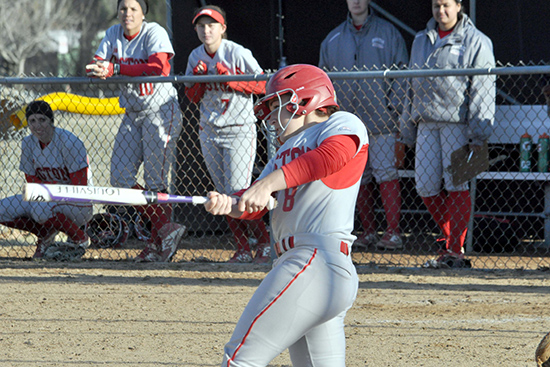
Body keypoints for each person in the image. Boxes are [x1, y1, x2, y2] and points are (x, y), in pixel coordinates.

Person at [204, 64, 369, 366]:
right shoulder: (282, 155)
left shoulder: (340, 123)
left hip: (316, 258)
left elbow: (332, 157)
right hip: (309, 267)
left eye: (274, 105)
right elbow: (254, 203)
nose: (269, 116)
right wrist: (228, 203)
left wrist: (267, 183)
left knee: (240, 360)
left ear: (302, 101)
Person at [86, 0, 186, 262]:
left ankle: (156, 242)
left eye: (133, 9)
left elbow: (158, 68)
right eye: (123, 8)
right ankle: (165, 229)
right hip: (131, 112)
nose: (127, 13)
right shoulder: (112, 33)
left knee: (156, 181)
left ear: (143, 13)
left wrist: (115, 69)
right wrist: (98, 68)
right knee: (119, 177)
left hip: (160, 111)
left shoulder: (154, 32)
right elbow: (99, 62)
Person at [399, 0, 496, 268]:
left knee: (457, 184)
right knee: (425, 186)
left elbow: (483, 88)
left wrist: (478, 134)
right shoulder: (421, 39)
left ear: (459, 6)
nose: (440, 11)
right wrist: (406, 128)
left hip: (458, 124)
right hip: (425, 122)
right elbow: (410, 84)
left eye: (446, 5)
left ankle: (455, 250)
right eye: (435, 5)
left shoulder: (476, 41)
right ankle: (449, 239)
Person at [184, 5, 271, 264]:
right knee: (221, 193)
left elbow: (264, 84)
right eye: (201, 25)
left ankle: (265, 243)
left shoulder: (236, 52)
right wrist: (199, 81)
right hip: (209, 129)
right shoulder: (195, 56)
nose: (206, 30)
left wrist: (232, 79)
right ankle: (243, 247)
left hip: (239, 129)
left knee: (238, 190)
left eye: (211, 25)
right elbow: (191, 96)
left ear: (222, 28)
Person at [319, 0, 408, 251]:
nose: (356, 2)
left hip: (382, 122)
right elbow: (323, 81)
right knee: (359, 177)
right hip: (347, 123)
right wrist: (332, 118)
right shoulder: (333, 38)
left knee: (386, 174)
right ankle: (368, 231)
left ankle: (393, 232)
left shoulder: (388, 33)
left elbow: (402, 74)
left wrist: (395, 111)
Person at [0, 100, 92, 259]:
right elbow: (31, 181)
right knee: (2, 209)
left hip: (78, 203)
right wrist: (47, 191)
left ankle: (79, 238)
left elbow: (80, 185)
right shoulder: (28, 143)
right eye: (32, 121)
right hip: (46, 198)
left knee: (40, 210)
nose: (37, 126)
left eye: (42, 120)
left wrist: (48, 190)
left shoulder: (69, 142)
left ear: (51, 120)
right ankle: (45, 234)